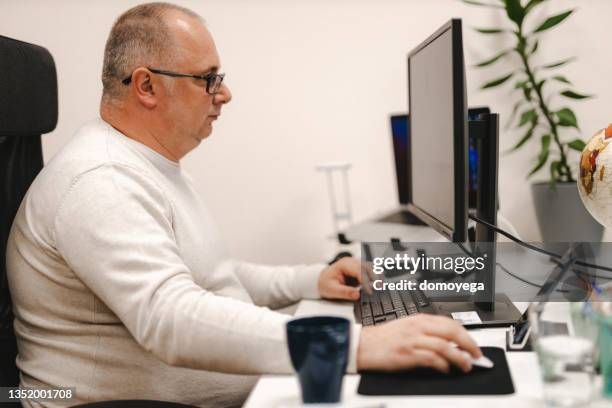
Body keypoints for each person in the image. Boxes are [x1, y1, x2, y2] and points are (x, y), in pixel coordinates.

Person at [6, 3, 481, 407]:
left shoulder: (147, 166)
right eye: (208, 79)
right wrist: (355, 344)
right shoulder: (100, 180)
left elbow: (209, 275)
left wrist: (311, 279)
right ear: (146, 87)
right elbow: (170, 318)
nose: (224, 94)